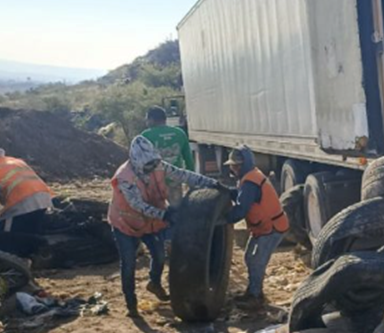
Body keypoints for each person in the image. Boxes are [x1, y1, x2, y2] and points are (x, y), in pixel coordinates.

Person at [108, 136, 221, 317]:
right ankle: (131, 304)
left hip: (150, 222)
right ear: (136, 162)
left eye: (154, 163)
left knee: (159, 255)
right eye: (148, 165)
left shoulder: (157, 165)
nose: (152, 168)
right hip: (125, 223)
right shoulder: (124, 177)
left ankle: (154, 283)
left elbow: (183, 175)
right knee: (128, 264)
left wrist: (213, 183)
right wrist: (165, 214)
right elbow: (137, 205)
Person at [224, 146, 288, 305]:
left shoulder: (250, 182)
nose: (233, 169)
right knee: (249, 257)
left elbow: (240, 210)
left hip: (272, 228)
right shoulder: (249, 177)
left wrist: (222, 220)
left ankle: (255, 296)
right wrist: (226, 191)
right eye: (232, 166)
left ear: (244, 165)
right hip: (263, 227)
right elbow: (241, 196)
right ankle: (253, 291)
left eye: (236, 166)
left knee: (256, 261)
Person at [0, 145, 53, 257]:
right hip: (41, 199)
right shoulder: (13, 162)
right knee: (26, 232)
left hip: (21, 203)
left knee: (5, 240)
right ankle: (33, 254)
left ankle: (38, 245)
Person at [141, 106, 194, 205]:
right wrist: (191, 181)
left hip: (155, 183)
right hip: (175, 180)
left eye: (147, 119)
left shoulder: (145, 136)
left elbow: (139, 162)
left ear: (151, 119)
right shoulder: (179, 133)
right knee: (176, 209)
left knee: (157, 210)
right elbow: (188, 160)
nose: (146, 122)